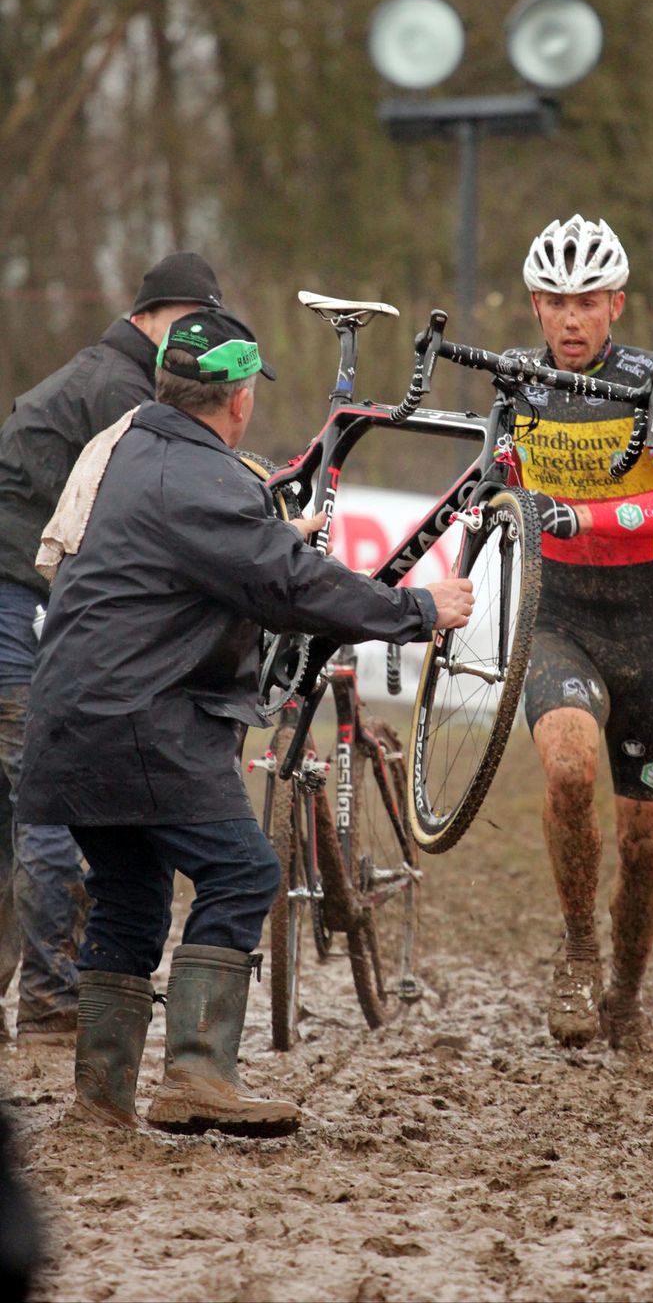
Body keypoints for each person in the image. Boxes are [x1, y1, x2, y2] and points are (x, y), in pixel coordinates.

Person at [15, 309, 473, 1135]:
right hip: (139, 726)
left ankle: (101, 1098)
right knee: (242, 873)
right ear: (236, 403)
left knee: (130, 896)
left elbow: (216, 555)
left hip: (64, 728)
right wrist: (418, 607)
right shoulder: (210, 480)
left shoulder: (125, 452)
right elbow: (294, 588)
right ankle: (197, 1077)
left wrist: (266, 536)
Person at [0, 252, 225, 1046]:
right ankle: (55, 1004)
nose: (194, 343)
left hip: (23, 600)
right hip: (12, 604)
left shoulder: (111, 376)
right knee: (49, 805)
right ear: (151, 317)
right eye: (187, 326)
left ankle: (39, 998)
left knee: (14, 814)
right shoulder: (122, 390)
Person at [508, 215, 653, 1052]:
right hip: (558, 613)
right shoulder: (511, 382)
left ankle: (626, 995)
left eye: (587, 300)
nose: (571, 319)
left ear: (616, 304)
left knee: (642, 838)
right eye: (555, 301)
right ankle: (579, 949)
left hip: (648, 625)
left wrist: (587, 511)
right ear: (534, 307)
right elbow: (489, 486)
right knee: (567, 768)